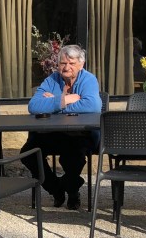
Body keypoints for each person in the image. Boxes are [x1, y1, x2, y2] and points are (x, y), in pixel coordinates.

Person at [20, 44, 102, 211]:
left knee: (72, 155)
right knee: (28, 153)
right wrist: (65, 100)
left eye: (72, 63)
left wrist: (53, 105)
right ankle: (56, 189)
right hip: (53, 133)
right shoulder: (52, 79)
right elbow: (33, 106)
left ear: (81, 64)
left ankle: (72, 191)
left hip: (82, 134)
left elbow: (93, 105)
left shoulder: (88, 79)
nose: (66, 67)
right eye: (63, 63)